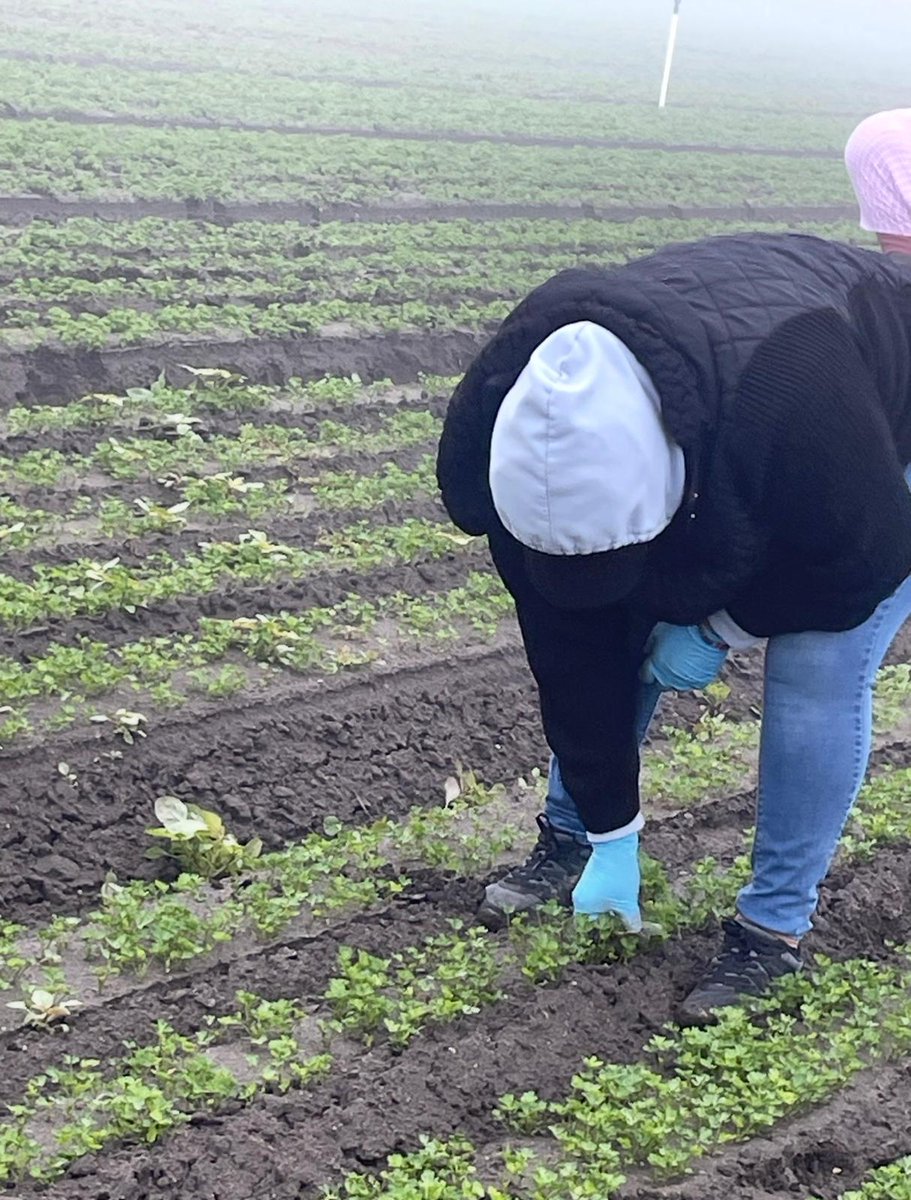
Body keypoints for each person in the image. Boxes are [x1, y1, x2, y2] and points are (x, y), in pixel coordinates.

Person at [436, 213, 911, 1024]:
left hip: (875, 427)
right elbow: (568, 651)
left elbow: (860, 562)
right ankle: (575, 837)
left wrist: (717, 629)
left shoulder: (797, 385)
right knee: (607, 631)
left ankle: (771, 929)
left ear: (678, 486)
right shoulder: (493, 438)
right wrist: (610, 827)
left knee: (814, 668)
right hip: (741, 408)